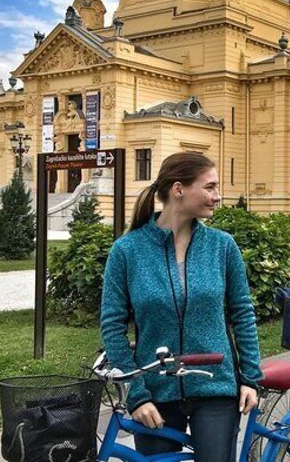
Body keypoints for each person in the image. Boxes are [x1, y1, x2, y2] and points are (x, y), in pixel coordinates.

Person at [101, 153, 262, 461]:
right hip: (154, 392)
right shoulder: (127, 251)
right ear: (179, 190)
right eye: (210, 187)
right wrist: (136, 396)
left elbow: (243, 313)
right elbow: (112, 326)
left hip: (215, 387)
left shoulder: (222, 246)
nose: (217, 196)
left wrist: (250, 378)